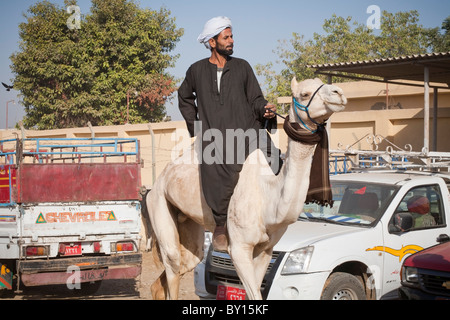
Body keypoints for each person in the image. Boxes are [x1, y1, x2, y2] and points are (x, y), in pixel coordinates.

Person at [178, 16, 280, 251]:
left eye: (232, 36)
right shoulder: (196, 71)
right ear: (212, 42)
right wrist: (196, 127)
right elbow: (184, 96)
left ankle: (274, 213)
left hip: (246, 129)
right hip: (214, 135)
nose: (231, 40)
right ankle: (221, 224)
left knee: (274, 159)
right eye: (226, 37)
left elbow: (255, 98)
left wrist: (265, 110)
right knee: (213, 167)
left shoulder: (243, 66)